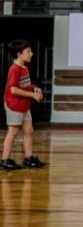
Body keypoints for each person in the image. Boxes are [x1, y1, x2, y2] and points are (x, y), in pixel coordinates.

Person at [2, 40, 44, 170]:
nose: (31, 54)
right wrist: (32, 95)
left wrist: (34, 88)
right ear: (19, 54)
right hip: (14, 105)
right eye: (28, 51)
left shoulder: (24, 68)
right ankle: (5, 160)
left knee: (28, 130)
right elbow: (13, 90)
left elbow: (24, 85)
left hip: (24, 105)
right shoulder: (14, 69)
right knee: (13, 131)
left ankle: (28, 158)